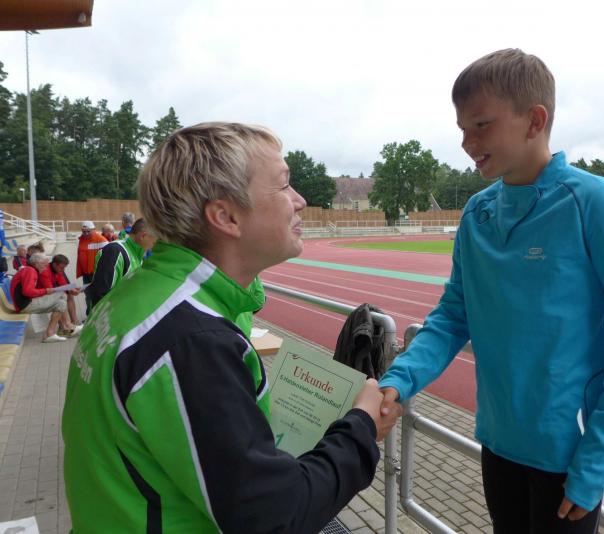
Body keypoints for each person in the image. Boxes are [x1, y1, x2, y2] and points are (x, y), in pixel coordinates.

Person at [62, 122, 402, 533]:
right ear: (226, 216)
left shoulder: (138, 298)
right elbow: (273, 518)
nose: (300, 200)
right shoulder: (192, 339)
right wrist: (362, 426)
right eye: (284, 185)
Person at [378, 49, 604, 533]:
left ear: (535, 121)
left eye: (481, 125)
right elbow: (452, 317)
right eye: (462, 129)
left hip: (568, 456)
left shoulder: (595, 204)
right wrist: (399, 380)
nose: (467, 143)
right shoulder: (477, 214)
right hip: (498, 443)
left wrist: (598, 461)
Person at [85, 217, 156, 311]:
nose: (155, 244)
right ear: (143, 236)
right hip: (111, 317)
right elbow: (100, 294)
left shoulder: (137, 254)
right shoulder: (115, 251)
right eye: (155, 240)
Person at [10, 253, 82, 342]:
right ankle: (68, 326)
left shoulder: (30, 270)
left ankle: (50, 334)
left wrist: (72, 289)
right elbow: (27, 292)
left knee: (61, 303)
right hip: (24, 304)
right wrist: (46, 291)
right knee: (61, 294)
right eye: (44, 265)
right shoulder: (30, 271)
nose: (45, 267)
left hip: (26, 303)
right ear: (37, 263)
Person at [37, 253, 81, 329]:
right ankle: (65, 326)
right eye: (61, 268)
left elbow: (63, 283)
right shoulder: (45, 271)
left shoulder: (57, 270)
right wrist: (67, 290)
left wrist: (72, 289)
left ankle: (72, 322)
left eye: (64, 268)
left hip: (47, 292)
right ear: (54, 264)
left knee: (68, 295)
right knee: (60, 299)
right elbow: (50, 290)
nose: (63, 270)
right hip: (39, 296)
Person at [75, 220, 107, 286]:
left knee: (97, 290)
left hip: (97, 273)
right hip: (86, 274)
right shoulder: (81, 239)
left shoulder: (101, 240)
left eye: (88, 231)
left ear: (94, 230)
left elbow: (108, 257)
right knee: (87, 290)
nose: (86, 233)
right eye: (84, 232)